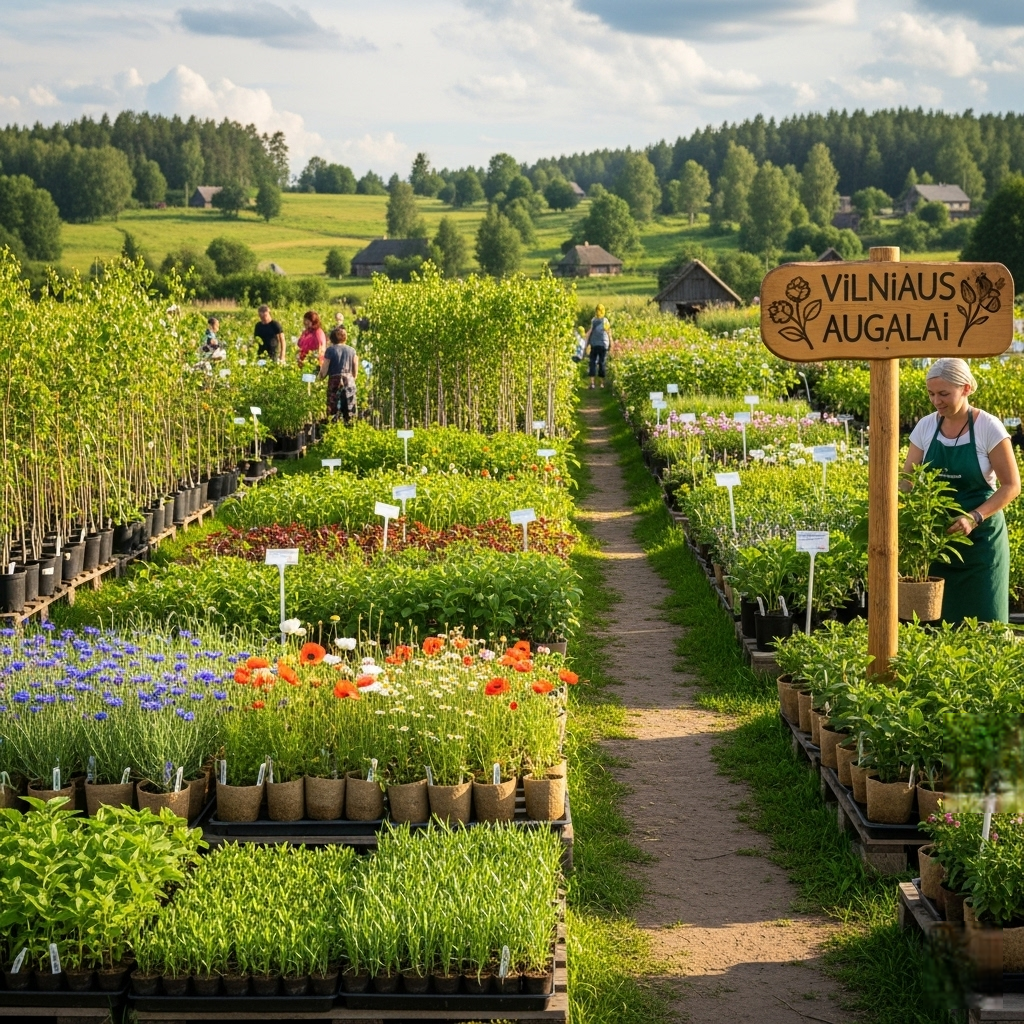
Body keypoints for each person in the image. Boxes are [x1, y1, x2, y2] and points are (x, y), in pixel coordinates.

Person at [904, 357, 1021, 624]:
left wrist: (973, 517)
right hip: (937, 543)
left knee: (983, 623)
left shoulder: (987, 427)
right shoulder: (926, 426)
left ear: (966, 388)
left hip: (981, 542)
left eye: (944, 393)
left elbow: (1012, 486)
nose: (936, 401)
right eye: (931, 393)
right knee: (936, 623)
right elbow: (907, 481)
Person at [318, 326, 358, 425]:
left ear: (332, 338)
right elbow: (355, 369)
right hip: (349, 380)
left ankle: (333, 427)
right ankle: (349, 427)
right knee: (349, 406)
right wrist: (352, 378)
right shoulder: (352, 351)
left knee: (333, 407)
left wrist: (320, 377)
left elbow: (324, 369)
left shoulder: (330, 350)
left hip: (335, 380)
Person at [584, 304, 612, 389]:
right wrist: (611, 343)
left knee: (592, 363)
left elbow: (590, 332)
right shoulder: (605, 320)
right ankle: (602, 384)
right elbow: (608, 333)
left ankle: (592, 383)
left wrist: (586, 344)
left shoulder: (593, 320)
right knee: (602, 363)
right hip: (603, 345)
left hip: (594, 344)